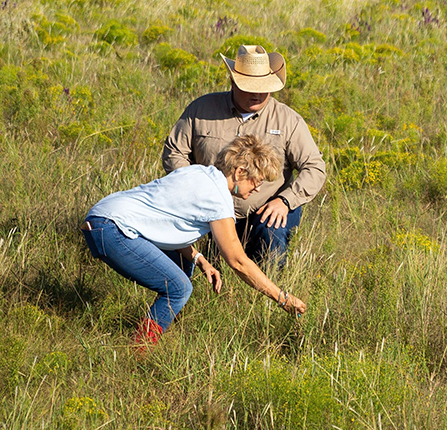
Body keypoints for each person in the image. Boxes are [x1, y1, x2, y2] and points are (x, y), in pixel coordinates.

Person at [82, 135, 307, 350]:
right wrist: (281, 298)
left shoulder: (199, 173)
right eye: (256, 181)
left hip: (101, 220)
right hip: (112, 229)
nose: (258, 189)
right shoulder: (218, 199)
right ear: (239, 172)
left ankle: (163, 329)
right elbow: (238, 261)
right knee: (178, 288)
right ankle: (139, 349)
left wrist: (200, 259)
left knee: (183, 266)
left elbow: (166, 223)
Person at [162, 44, 326, 268]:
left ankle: (269, 291)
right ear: (233, 81)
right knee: (176, 238)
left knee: (272, 228)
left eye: (263, 86)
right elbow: (174, 152)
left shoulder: (288, 120)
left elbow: (314, 168)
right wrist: (196, 191)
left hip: (265, 209)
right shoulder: (201, 109)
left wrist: (285, 201)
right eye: (250, 86)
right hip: (206, 207)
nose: (257, 93)